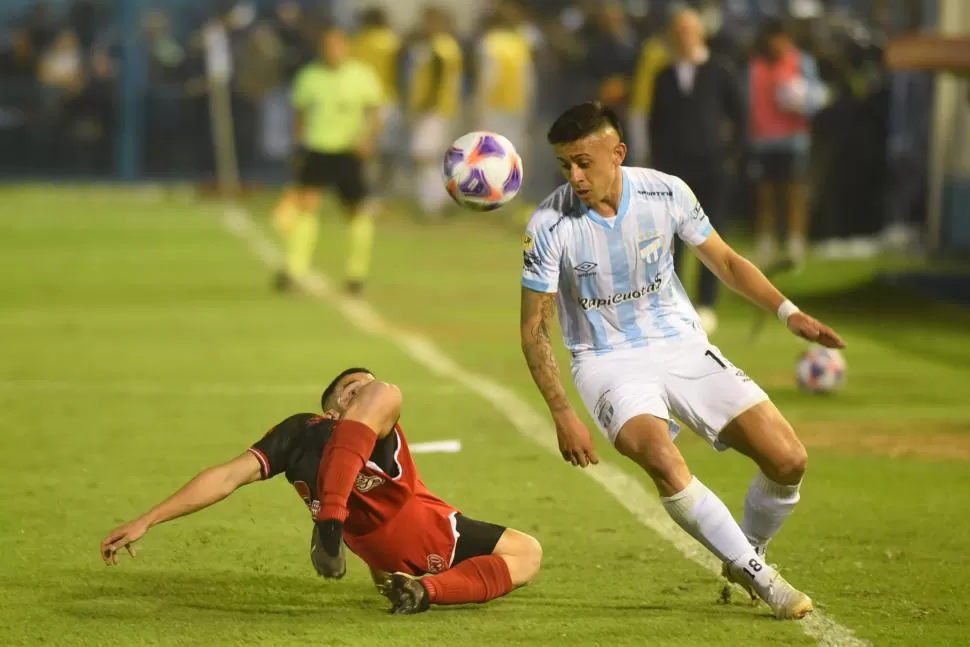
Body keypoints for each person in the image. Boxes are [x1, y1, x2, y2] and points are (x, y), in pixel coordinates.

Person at [519, 101, 844, 619]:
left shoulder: (665, 191)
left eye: (584, 162)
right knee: (662, 457)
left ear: (617, 153)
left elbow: (727, 262)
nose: (574, 177)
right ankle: (766, 582)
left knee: (788, 461)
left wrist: (789, 313)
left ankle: (746, 553)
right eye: (565, 165)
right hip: (607, 361)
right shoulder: (550, 223)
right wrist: (561, 411)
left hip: (682, 345)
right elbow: (534, 326)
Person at [100, 368, 542, 615]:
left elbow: (228, 476)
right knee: (528, 554)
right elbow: (226, 477)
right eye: (354, 387)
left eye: (367, 383)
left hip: (389, 544)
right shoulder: (305, 431)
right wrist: (148, 518)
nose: (367, 388)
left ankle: (421, 590)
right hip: (411, 534)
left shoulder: (354, 431)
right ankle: (346, 531)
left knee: (525, 552)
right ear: (331, 409)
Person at [646, 7, 744, 335]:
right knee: (671, 238)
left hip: (712, 166)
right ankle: (672, 304)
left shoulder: (720, 70)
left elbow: (740, 116)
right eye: (679, 30)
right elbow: (655, 124)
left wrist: (732, 156)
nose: (684, 36)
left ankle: (707, 304)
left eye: (689, 30)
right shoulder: (663, 75)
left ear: (700, 33)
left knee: (709, 237)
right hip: (673, 172)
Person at [271, 25, 384, 295]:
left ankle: (357, 273)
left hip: (348, 151)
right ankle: (294, 269)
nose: (333, 51)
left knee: (356, 210)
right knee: (307, 206)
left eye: (337, 45)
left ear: (345, 47)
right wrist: (298, 145)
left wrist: (367, 139)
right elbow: (300, 114)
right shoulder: (309, 77)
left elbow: (375, 113)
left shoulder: (362, 76)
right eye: (328, 46)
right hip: (318, 148)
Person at [747, 18, 827, 268]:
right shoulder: (756, 66)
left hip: (794, 140)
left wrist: (801, 100)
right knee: (767, 195)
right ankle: (767, 243)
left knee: (794, 193)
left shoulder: (801, 62)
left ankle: (795, 244)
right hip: (763, 141)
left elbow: (818, 95)